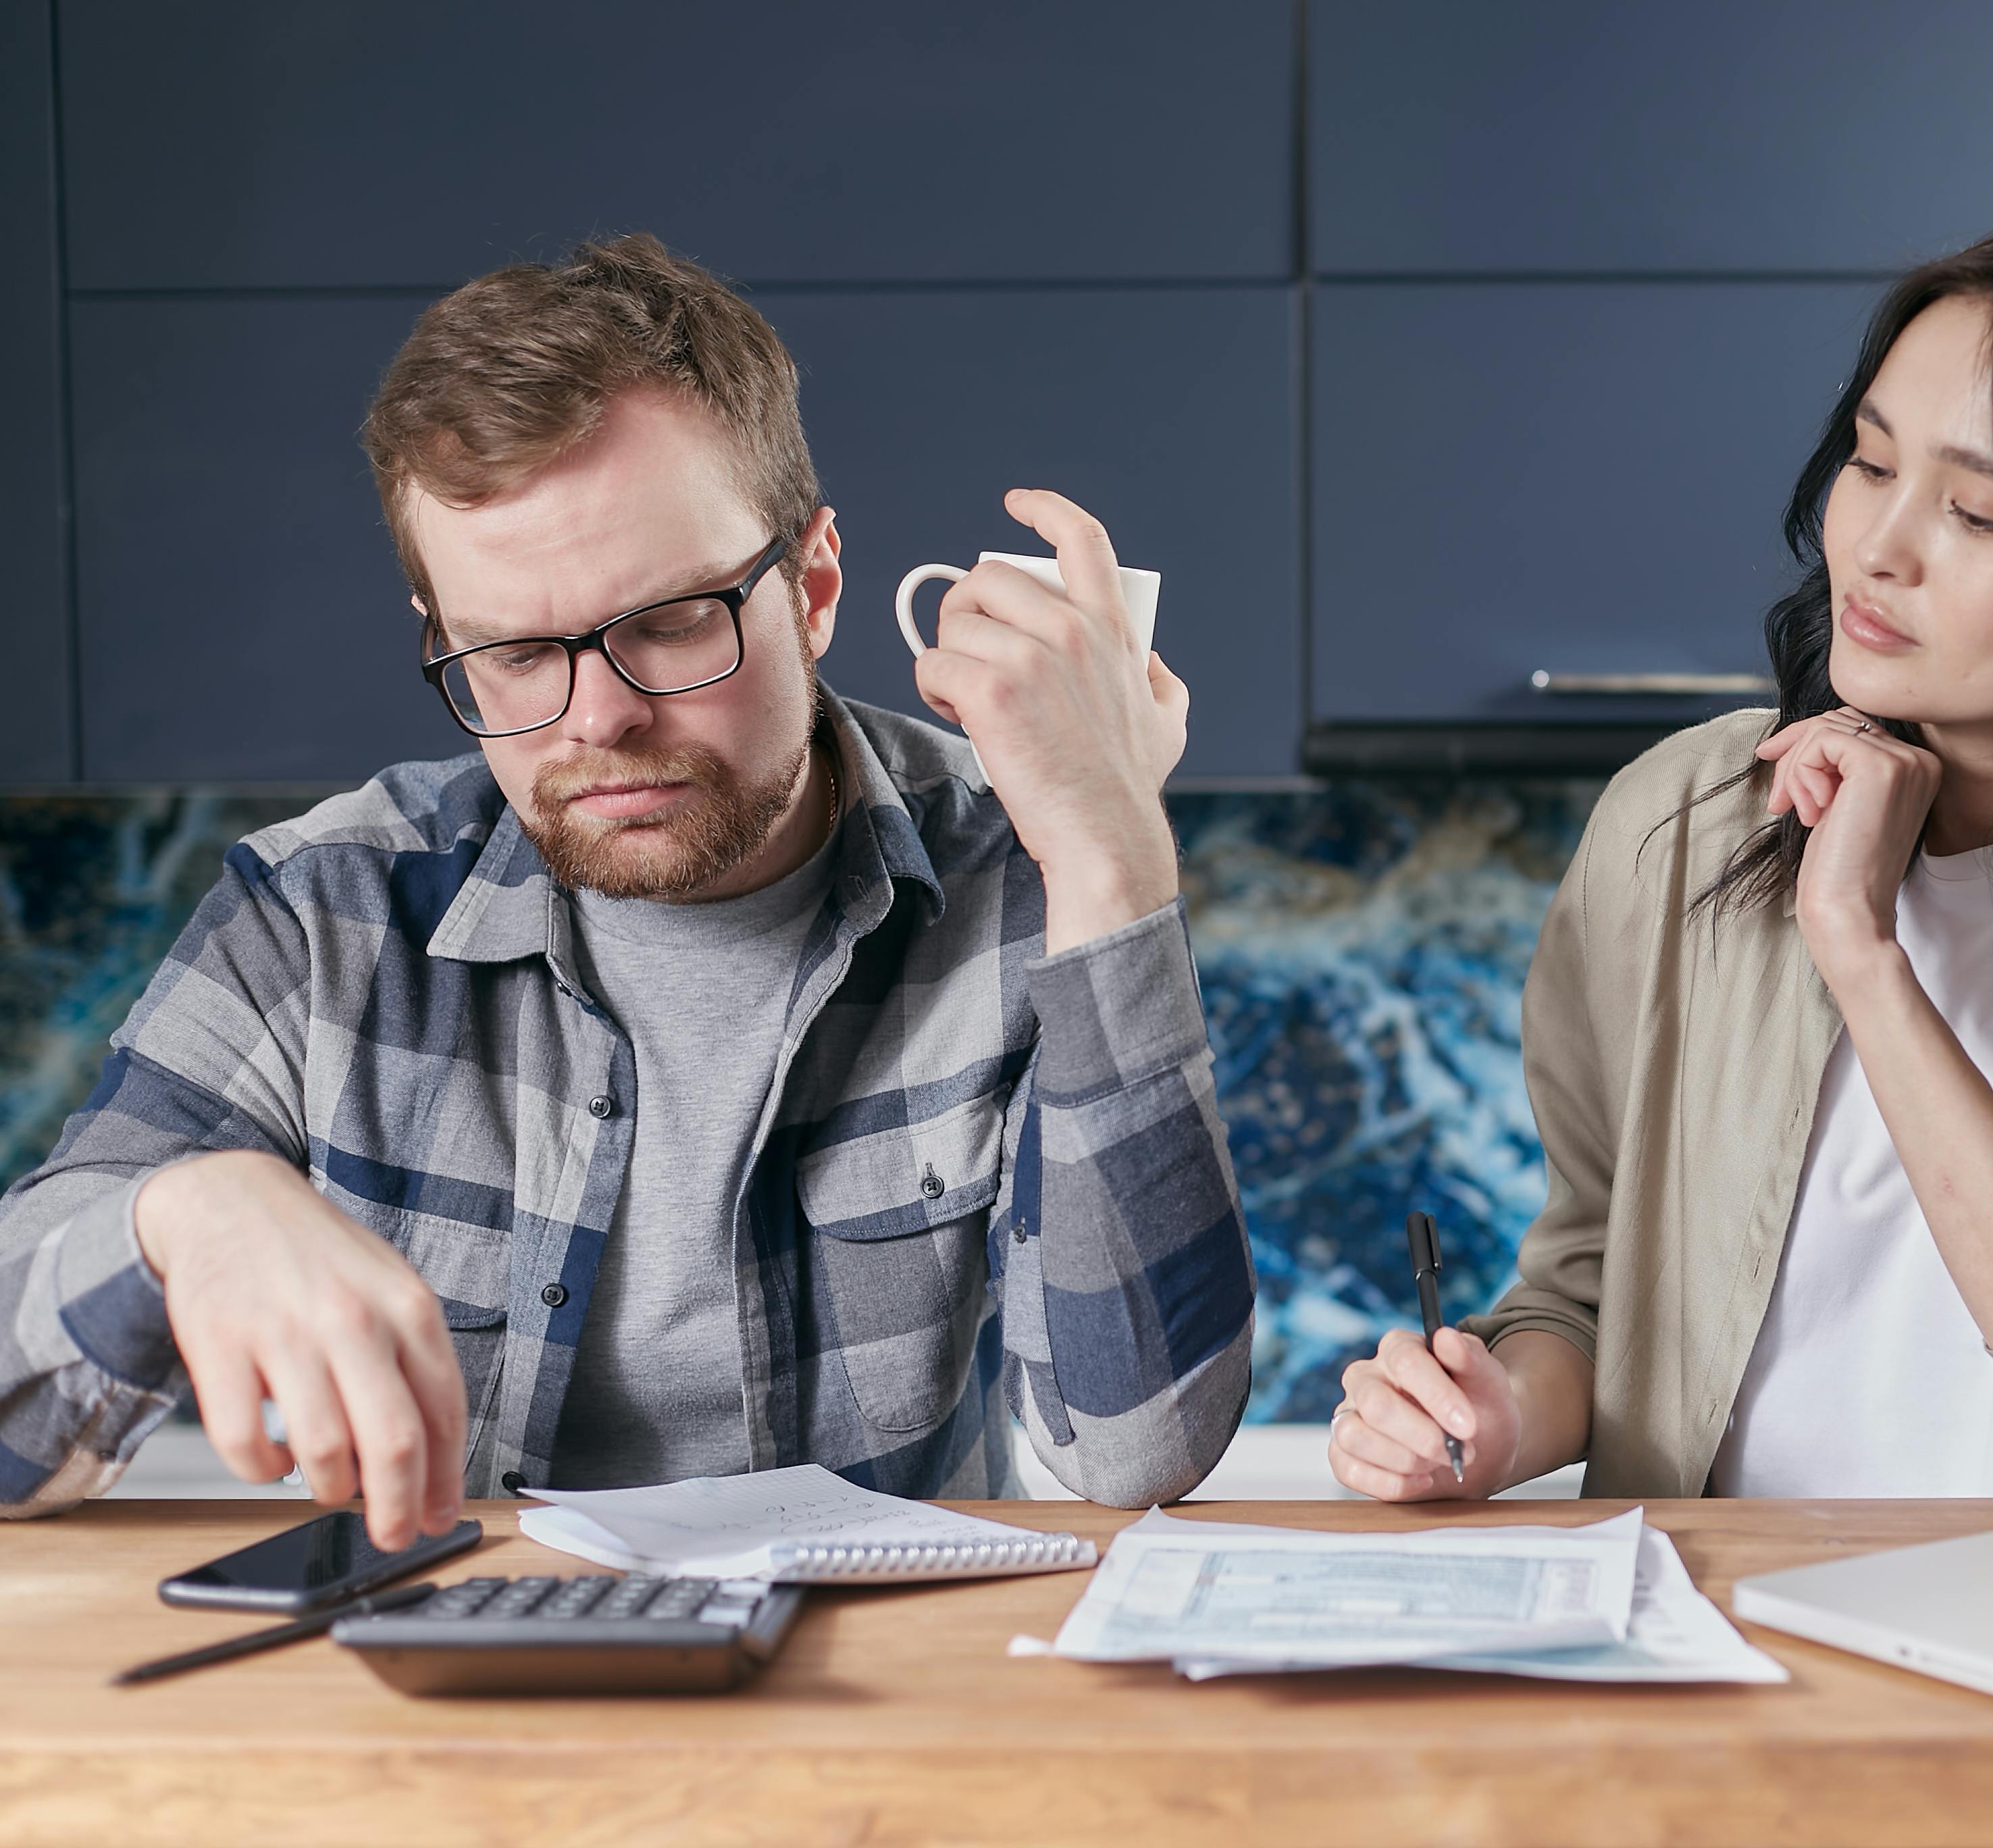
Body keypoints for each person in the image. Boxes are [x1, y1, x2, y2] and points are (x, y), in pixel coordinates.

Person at [0, 236, 1254, 1547]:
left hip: (878, 1702)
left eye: (669, 623)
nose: (597, 719)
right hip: (448, 1709)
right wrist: (178, 1218)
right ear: (443, 638)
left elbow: (1139, 1450)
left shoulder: (1018, 870)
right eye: (513, 651)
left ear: (812, 588)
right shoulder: (322, 915)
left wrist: (1111, 851)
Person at [1328, 220, 1993, 1507]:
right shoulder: (1683, 815)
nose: (1876, 547)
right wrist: (1498, 1415)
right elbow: (1589, 1287)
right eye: (1868, 460)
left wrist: (1860, 950)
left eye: (1974, 512)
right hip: (1720, 1631)